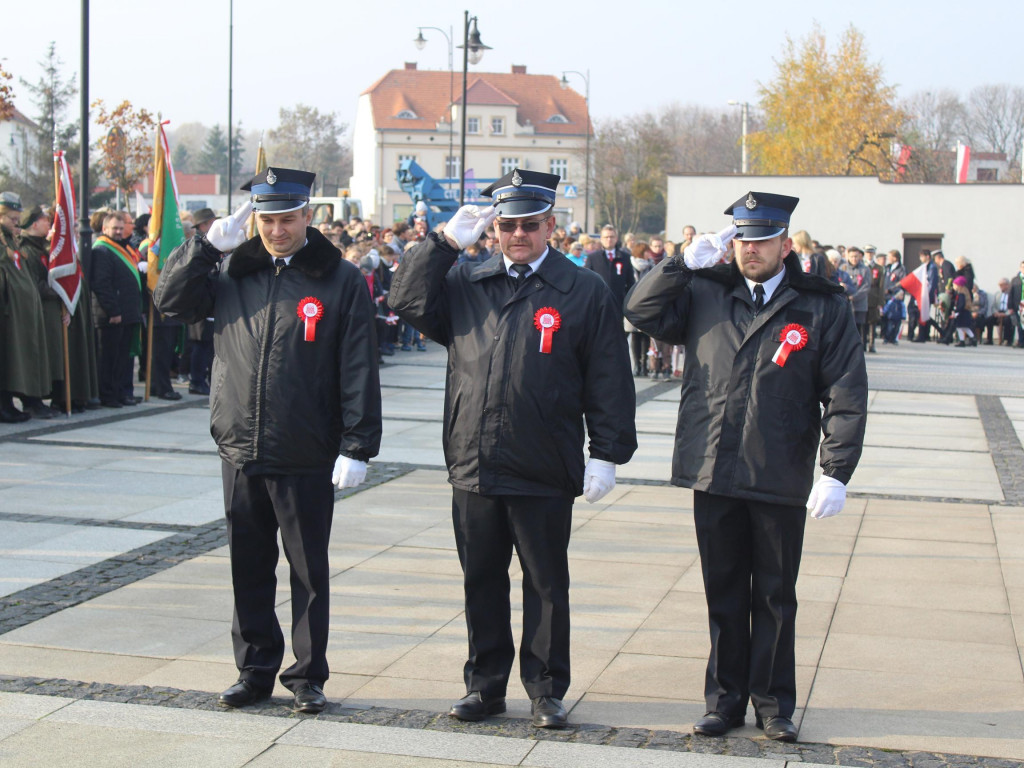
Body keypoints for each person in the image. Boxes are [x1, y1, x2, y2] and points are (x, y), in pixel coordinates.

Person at [389, 168, 637, 730]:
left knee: (546, 583)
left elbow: (608, 377)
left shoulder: (584, 290)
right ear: (493, 228)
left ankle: (547, 688)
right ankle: (484, 685)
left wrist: (607, 452)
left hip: (543, 459)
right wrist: (442, 244)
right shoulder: (466, 280)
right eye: (507, 225)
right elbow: (405, 301)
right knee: (481, 577)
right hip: (474, 457)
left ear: (551, 225)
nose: (517, 235)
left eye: (529, 224)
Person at [624, 191, 867, 743]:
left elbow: (847, 391)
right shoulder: (708, 291)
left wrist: (835, 470)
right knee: (724, 590)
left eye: (760, 240)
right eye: (741, 239)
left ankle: (774, 704)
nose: (749, 250)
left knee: (776, 596)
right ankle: (725, 699)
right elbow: (640, 310)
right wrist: (680, 264)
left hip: (779, 469)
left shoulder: (821, 304)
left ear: (785, 242)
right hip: (713, 466)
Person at [154, 167, 382, 714]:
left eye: (287, 218)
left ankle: (307, 675)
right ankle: (254, 668)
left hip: (305, 443)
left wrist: (358, 444)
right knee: (248, 564)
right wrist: (204, 249)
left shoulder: (339, 277)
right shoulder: (234, 267)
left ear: (309, 215)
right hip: (240, 440)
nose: (277, 229)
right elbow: (170, 302)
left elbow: (358, 365)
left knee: (307, 570)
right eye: (267, 219)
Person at [584, 224, 634, 315]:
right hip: (598, 303)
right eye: (606, 237)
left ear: (616, 238)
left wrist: (626, 299)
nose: (609, 239)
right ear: (601, 239)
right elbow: (586, 281)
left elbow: (630, 281)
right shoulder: (593, 257)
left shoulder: (625, 257)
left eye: (611, 237)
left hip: (618, 303)